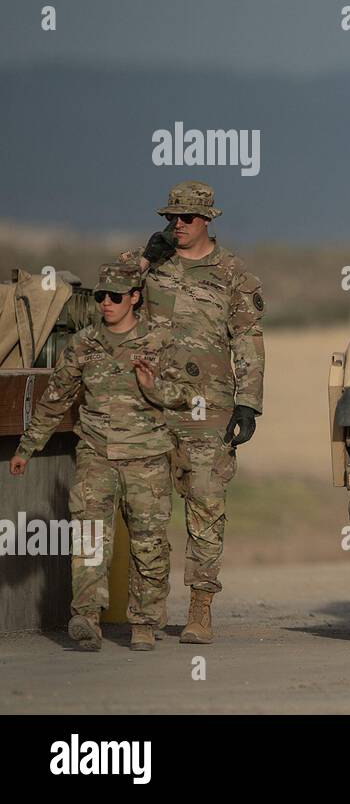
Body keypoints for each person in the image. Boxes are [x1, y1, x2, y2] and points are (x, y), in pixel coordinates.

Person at [8, 263, 193, 652]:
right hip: (96, 455)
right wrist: (27, 447)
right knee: (90, 537)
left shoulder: (159, 342)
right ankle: (87, 616)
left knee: (149, 542)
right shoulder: (84, 343)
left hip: (146, 459)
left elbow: (187, 397)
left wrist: (152, 385)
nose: (106, 303)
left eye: (115, 297)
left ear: (135, 299)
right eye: (100, 297)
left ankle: (144, 622)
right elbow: (55, 398)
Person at [126, 181, 265, 644]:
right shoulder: (153, 267)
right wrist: (145, 257)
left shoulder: (231, 274)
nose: (177, 226)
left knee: (205, 507)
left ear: (207, 220)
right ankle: (145, 616)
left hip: (208, 408)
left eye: (185, 218)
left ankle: (200, 609)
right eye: (170, 218)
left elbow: (248, 339)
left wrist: (249, 402)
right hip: (149, 405)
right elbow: (108, 298)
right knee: (147, 511)